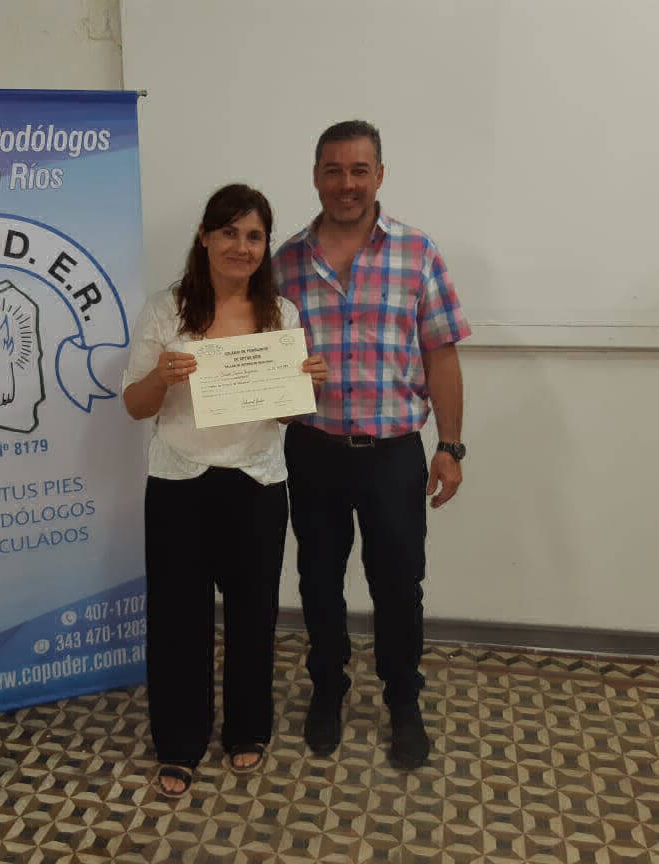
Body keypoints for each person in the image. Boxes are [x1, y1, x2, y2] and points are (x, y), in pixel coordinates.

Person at [273, 121, 471, 770]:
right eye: (333, 170)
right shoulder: (285, 264)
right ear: (316, 177)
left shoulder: (417, 252)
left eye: (359, 170)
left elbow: (441, 355)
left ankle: (403, 701)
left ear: (379, 175)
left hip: (392, 455)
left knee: (399, 584)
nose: (347, 183)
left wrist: (451, 446)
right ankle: (327, 690)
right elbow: (262, 361)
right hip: (313, 450)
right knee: (318, 581)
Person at [123, 184, 328, 797]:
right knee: (177, 618)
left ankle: (248, 728)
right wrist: (162, 376)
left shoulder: (281, 315)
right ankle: (179, 742)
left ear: (265, 246)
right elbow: (135, 406)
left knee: (253, 615)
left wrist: (306, 387)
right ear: (205, 237)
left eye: (254, 236)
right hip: (179, 481)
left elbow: (287, 414)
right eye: (230, 233)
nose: (242, 246)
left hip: (257, 482)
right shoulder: (166, 311)